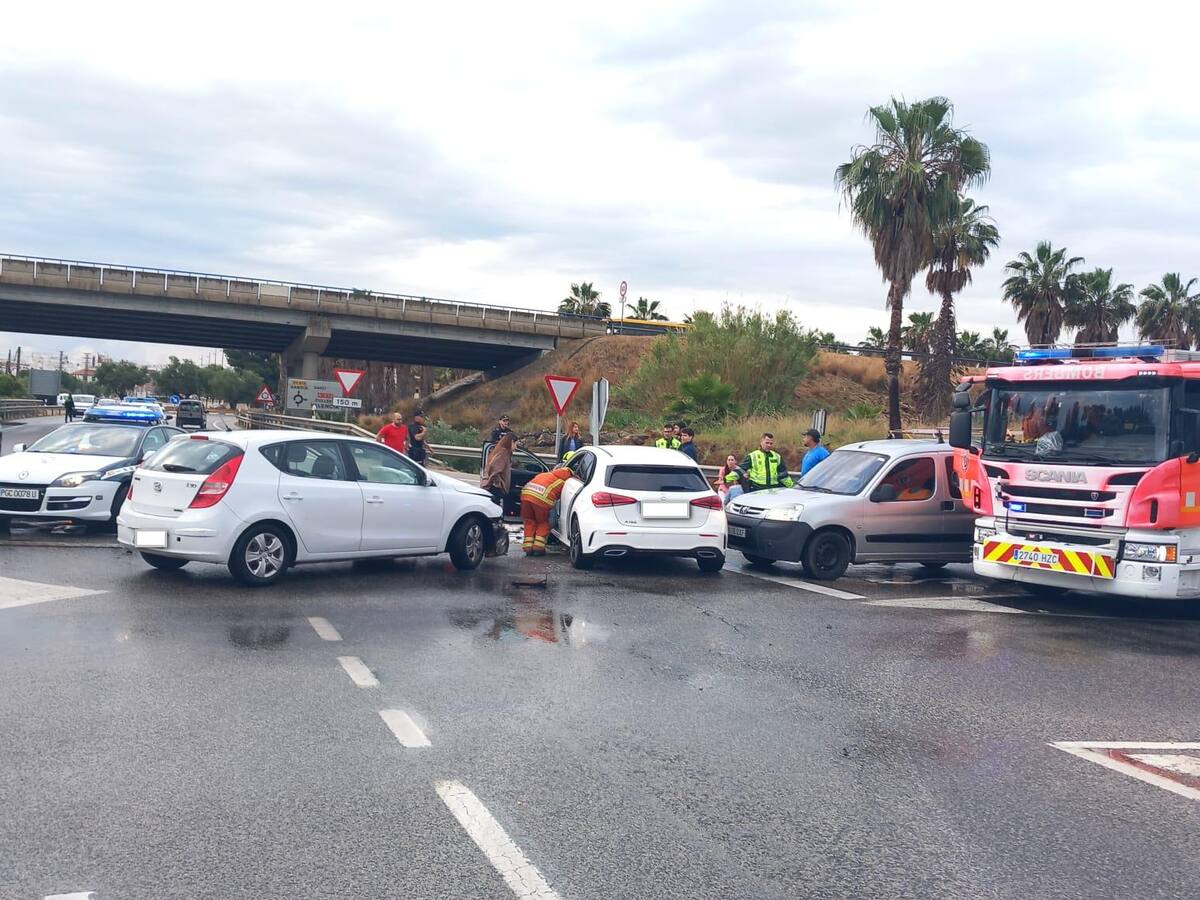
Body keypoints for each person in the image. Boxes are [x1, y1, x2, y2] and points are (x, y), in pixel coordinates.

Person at [520, 464, 572, 556]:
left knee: (529, 521)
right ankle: (538, 548)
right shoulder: (563, 482)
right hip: (541, 499)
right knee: (543, 522)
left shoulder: (544, 474)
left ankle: (528, 548)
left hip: (525, 496)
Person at [726, 432, 793, 492]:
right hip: (757, 489)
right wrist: (725, 479)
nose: (769, 445)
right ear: (761, 442)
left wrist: (792, 486)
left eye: (771, 443)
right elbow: (739, 470)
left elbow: (783, 474)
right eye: (767, 443)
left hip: (773, 490)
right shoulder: (753, 456)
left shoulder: (777, 456)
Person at [480, 433, 514, 505]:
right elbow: (494, 468)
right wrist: (498, 483)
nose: (516, 447)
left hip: (492, 487)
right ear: (511, 442)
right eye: (515, 443)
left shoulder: (500, 451)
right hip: (495, 489)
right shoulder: (503, 453)